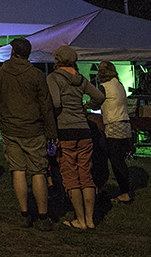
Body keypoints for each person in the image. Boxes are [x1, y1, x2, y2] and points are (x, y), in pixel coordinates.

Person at [0, 37, 56, 231]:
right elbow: (46, 105)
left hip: (10, 128)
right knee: (38, 171)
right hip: (33, 129)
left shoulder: (0, 74)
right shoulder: (36, 75)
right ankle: (43, 216)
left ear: (12, 52)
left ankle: (25, 213)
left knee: (17, 170)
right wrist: (51, 131)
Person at [47, 46, 105, 230]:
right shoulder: (81, 79)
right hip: (83, 129)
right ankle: (90, 219)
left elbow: (55, 102)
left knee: (71, 176)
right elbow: (99, 96)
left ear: (57, 59)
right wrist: (85, 106)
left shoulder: (54, 78)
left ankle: (79, 219)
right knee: (86, 175)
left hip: (66, 131)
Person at [96, 61, 133, 203]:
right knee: (119, 159)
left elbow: (95, 101)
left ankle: (125, 192)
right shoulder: (118, 84)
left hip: (113, 124)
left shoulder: (104, 87)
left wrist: (83, 106)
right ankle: (124, 190)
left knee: (115, 160)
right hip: (124, 123)